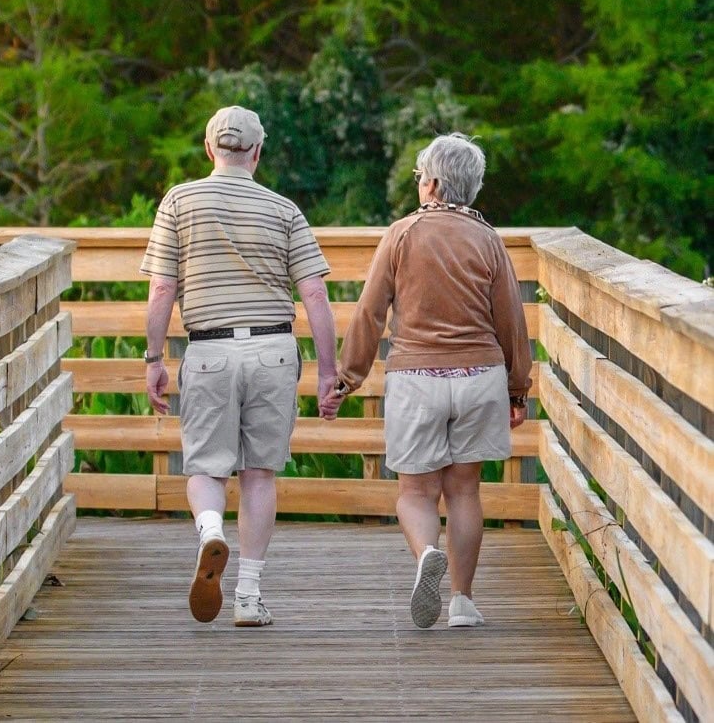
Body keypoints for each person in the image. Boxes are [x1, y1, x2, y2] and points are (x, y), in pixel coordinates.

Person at [141, 105, 338, 627]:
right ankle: (249, 597)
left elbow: (162, 287)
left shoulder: (179, 202)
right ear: (257, 152)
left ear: (210, 149)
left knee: (206, 466)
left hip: (208, 350)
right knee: (258, 474)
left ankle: (210, 530)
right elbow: (315, 292)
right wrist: (328, 371)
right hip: (273, 351)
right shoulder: (284, 209)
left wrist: (154, 358)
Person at [324, 133, 531, 629]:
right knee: (464, 491)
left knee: (416, 493)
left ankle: (424, 557)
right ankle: (462, 601)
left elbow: (371, 313)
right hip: (479, 376)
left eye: (420, 178)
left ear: (433, 183)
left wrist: (346, 378)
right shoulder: (488, 239)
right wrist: (516, 388)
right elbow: (511, 320)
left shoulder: (400, 234)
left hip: (417, 376)